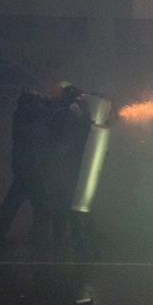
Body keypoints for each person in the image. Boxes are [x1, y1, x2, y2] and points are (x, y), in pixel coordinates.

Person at [0, 89, 53, 246]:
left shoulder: (23, 114)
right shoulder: (28, 115)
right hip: (30, 168)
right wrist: (49, 106)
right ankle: (38, 238)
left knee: (15, 202)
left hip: (26, 167)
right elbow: (37, 130)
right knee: (40, 205)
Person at [47, 81, 92, 248]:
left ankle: (69, 237)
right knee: (64, 200)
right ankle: (68, 238)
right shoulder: (60, 113)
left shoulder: (65, 112)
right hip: (63, 165)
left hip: (69, 164)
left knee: (68, 200)